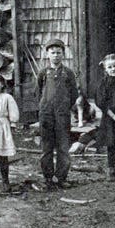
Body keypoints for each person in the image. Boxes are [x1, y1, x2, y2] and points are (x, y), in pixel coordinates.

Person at [35, 38, 80, 190]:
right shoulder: (43, 73)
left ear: (63, 54)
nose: (56, 55)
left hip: (62, 115)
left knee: (63, 147)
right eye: (53, 53)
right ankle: (48, 178)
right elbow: (38, 92)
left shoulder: (68, 73)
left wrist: (64, 106)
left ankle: (61, 177)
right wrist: (44, 107)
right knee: (46, 147)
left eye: (59, 53)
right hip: (46, 115)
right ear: (47, 54)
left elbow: (74, 94)